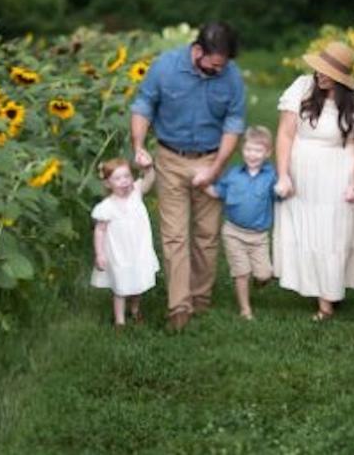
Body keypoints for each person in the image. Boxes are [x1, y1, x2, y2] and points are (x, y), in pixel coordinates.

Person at [129, 22, 247, 332]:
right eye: (215, 65)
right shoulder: (165, 67)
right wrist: (139, 146)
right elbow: (143, 104)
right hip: (170, 157)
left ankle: (201, 298)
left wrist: (215, 169)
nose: (220, 71)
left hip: (210, 158)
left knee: (207, 235)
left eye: (225, 65)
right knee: (174, 235)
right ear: (197, 51)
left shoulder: (231, 77)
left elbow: (234, 122)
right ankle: (179, 306)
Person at [273, 41, 354, 321]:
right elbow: (285, 134)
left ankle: (327, 301)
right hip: (302, 173)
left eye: (327, 72)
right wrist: (283, 174)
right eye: (318, 68)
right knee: (307, 232)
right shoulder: (301, 88)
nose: (319, 74)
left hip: (338, 174)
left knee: (333, 234)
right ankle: (319, 288)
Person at [204, 126, 278, 320]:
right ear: (242, 150)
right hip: (233, 232)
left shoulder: (271, 177)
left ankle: (260, 280)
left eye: (258, 150)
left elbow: (279, 197)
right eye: (249, 149)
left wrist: (285, 190)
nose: (252, 154)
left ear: (268, 152)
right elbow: (217, 192)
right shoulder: (233, 174)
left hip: (259, 236)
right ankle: (245, 309)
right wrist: (202, 183)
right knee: (241, 272)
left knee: (264, 274)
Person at [90, 158, 159, 330]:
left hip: (138, 249)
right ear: (107, 183)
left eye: (127, 176)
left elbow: (150, 179)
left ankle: (135, 310)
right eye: (118, 178)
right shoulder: (106, 207)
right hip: (119, 252)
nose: (124, 181)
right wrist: (100, 254)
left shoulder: (136, 192)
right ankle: (119, 321)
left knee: (138, 282)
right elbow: (100, 231)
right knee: (120, 287)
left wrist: (149, 168)